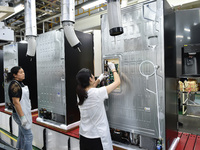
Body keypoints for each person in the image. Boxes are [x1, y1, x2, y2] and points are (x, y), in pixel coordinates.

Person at [76, 62, 121, 150]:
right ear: (90, 79)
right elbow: (117, 82)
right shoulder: (97, 93)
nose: (94, 77)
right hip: (97, 138)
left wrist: (100, 78)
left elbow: (91, 87)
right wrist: (113, 69)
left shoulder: (79, 94)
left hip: (84, 136)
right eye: (93, 76)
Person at [7, 66, 33, 150]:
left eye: (23, 72)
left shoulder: (20, 84)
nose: (23, 74)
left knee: (22, 134)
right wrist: (22, 117)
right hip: (19, 114)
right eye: (21, 72)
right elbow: (16, 102)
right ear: (15, 75)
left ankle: (19, 148)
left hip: (24, 112)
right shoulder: (14, 85)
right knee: (29, 136)